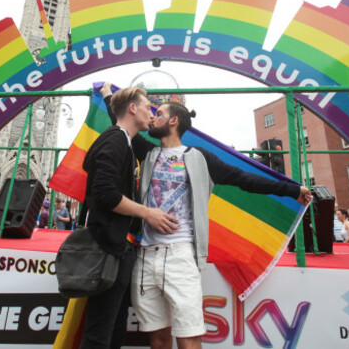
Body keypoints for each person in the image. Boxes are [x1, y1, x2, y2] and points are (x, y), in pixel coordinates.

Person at [101, 84, 312, 349]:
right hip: (145, 256)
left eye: (159, 114)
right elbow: (120, 121)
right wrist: (109, 95)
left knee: (188, 337)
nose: (153, 117)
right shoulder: (148, 151)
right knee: (157, 337)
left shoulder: (199, 157)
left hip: (181, 255)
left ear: (174, 121)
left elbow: (244, 179)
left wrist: (293, 190)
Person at [79, 86, 177, 349]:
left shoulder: (124, 139)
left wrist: (111, 96)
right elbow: (105, 194)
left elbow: (120, 116)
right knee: (100, 332)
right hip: (109, 247)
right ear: (133, 109)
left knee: (114, 327)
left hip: (121, 247)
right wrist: (148, 213)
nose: (151, 112)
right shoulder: (114, 139)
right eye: (147, 106)